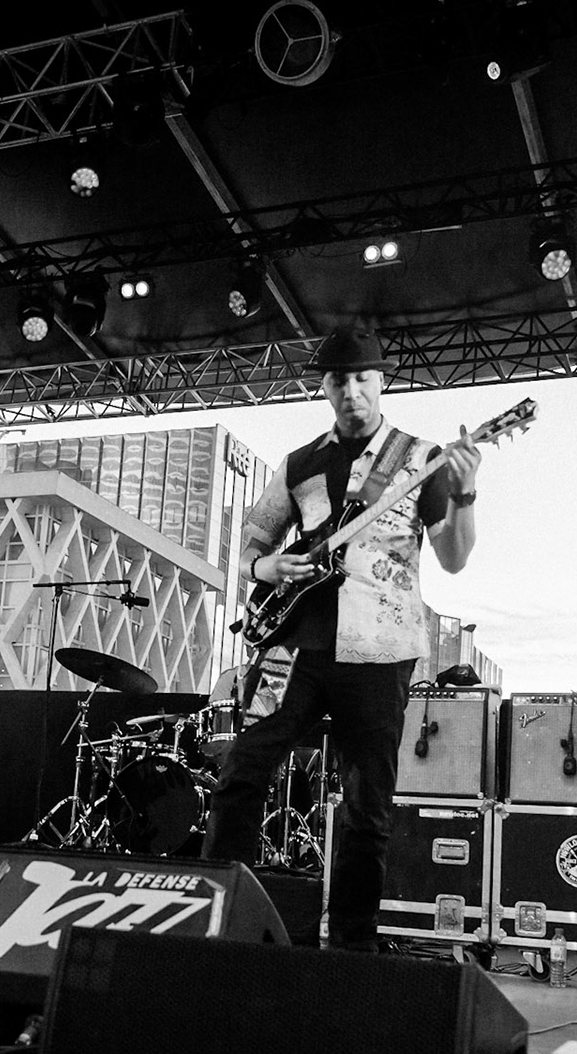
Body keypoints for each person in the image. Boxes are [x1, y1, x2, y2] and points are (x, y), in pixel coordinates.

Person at [201, 322, 482, 951]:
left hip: (380, 654)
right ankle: (223, 928)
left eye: (363, 377)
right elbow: (252, 534)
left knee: (366, 805)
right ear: (324, 387)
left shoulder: (422, 459)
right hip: (291, 645)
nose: (352, 390)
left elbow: (455, 558)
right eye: (338, 379)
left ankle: (351, 947)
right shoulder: (301, 462)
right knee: (242, 774)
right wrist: (260, 567)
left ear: (383, 382)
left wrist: (464, 490)